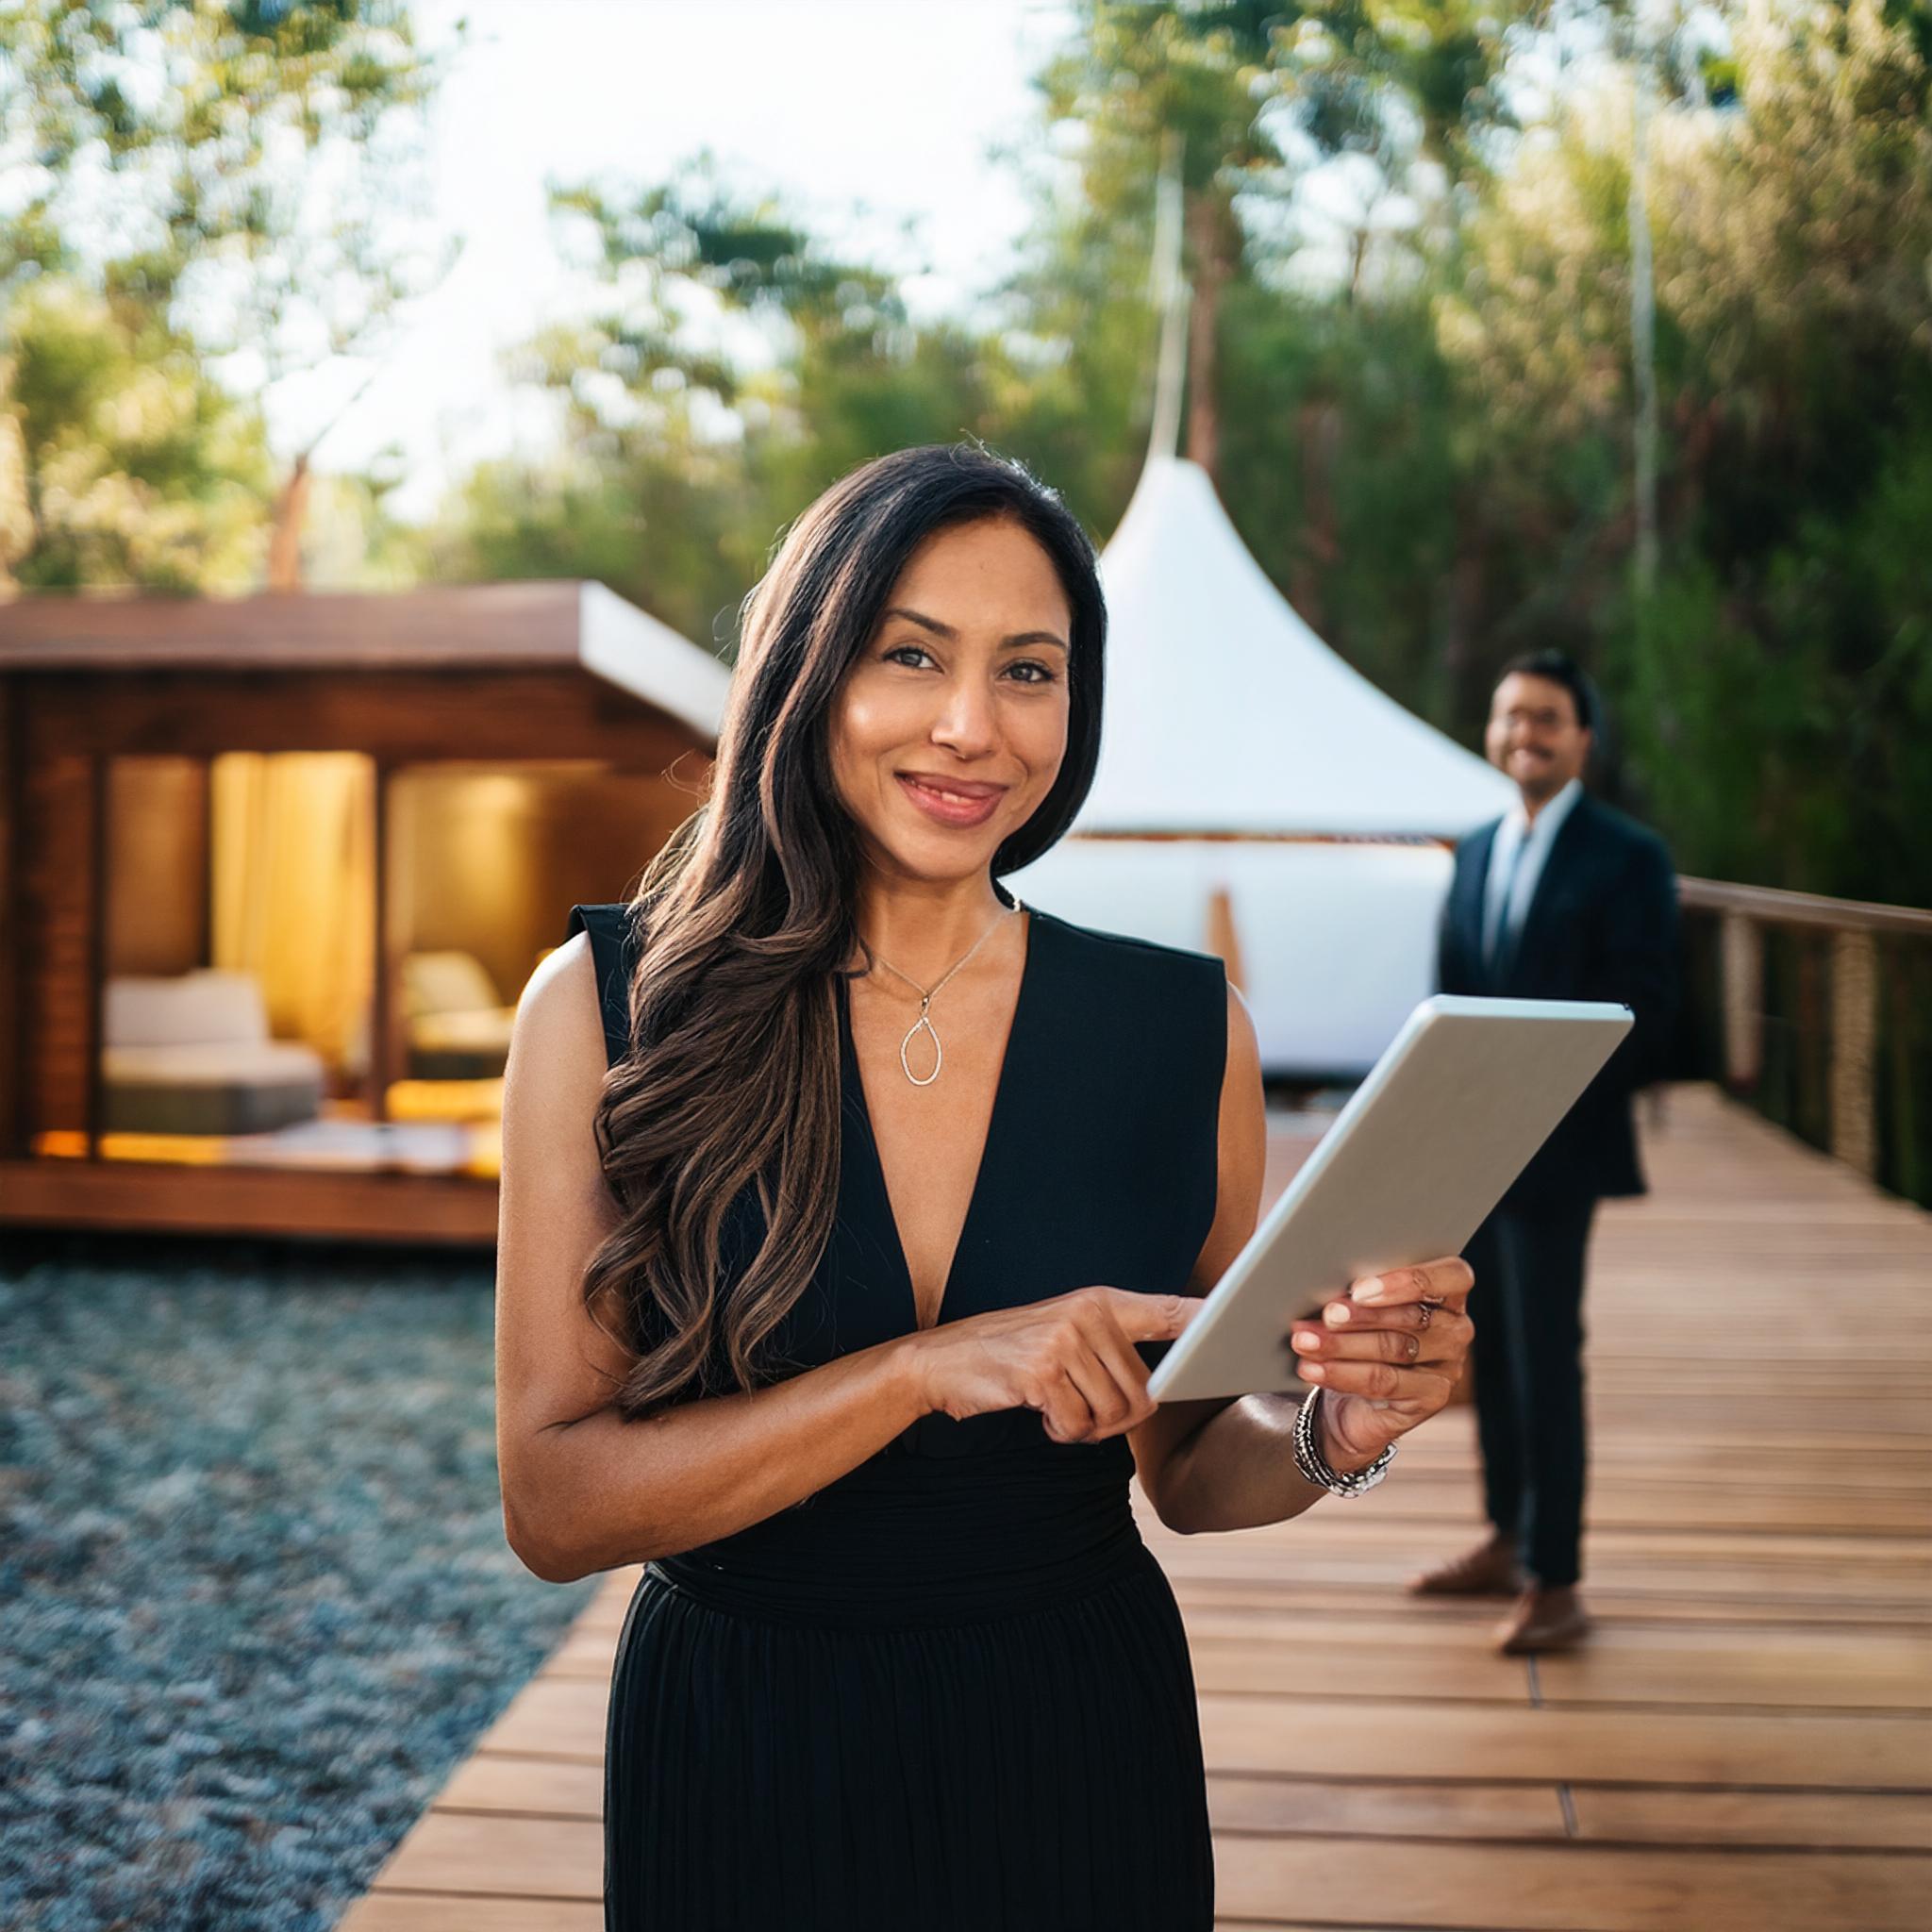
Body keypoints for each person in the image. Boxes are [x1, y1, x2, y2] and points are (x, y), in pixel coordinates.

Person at [494, 443, 1476, 1930]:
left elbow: (1195, 1469)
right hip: (747, 1747)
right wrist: (919, 1373)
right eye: (911, 655)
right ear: (810, 672)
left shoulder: (1180, 1029)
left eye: (1030, 670)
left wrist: (1337, 1427)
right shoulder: (609, 1010)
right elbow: (556, 1508)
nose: (973, 728)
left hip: (1075, 1733)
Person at [1423, 649, 1679, 1654]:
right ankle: (1502, 1537)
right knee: (1483, 1348)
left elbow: (1650, 1011)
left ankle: (1557, 1577)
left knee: (1544, 1354)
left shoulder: (1628, 857)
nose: (1521, 731)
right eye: (1506, 714)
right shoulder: (1474, 847)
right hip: (1470, 1147)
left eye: (1544, 716)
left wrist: (1537, 1086)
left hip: (1560, 1147)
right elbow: (1448, 995)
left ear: (1582, 736)